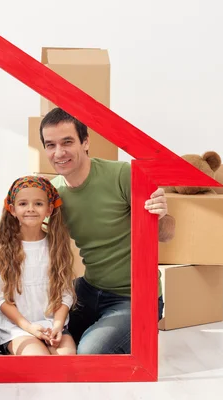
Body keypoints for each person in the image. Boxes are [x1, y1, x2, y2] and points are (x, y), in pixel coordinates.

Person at [38, 107, 176, 355]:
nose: (59, 153)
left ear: (86, 142)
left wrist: (162, 215)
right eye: (51, 145)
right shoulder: (52, 193)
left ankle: (133, 331)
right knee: (40, 333)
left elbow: (166, 235)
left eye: (67, 142)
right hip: (89, 290)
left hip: (133, 297)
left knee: (91, 354)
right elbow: (37, 242)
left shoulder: (121, 174)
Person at [0, 176, 77, 356]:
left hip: (52, 325)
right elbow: (0, 299)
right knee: (39, 360)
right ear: (12, 209)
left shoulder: (56, 245)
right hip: (18, 328)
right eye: (23, 204)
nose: (30, 209)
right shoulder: (3, 248)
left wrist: (58, 325)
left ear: (49, 209)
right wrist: (29, 327)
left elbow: (66, 294)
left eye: (38, 204)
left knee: (67, 358)